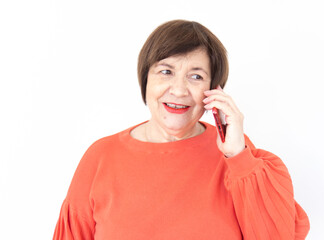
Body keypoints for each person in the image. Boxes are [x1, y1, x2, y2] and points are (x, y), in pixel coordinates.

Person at [53, 20, 310, 239]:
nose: (178, 90)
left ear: (214, 90)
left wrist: (238, 156)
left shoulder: (240, 158)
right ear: (145, 80)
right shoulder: (100, 156)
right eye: (166, 71)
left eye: (196, 76)